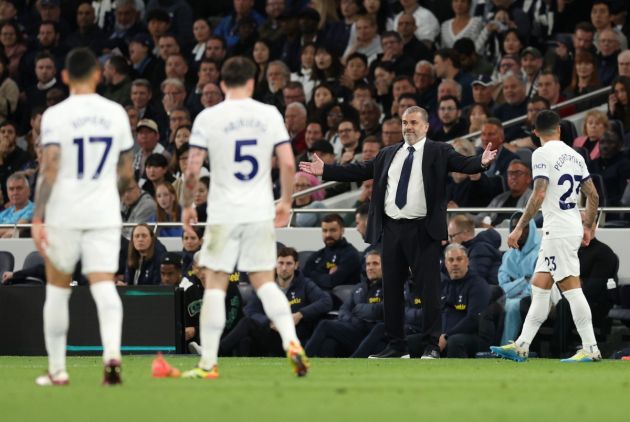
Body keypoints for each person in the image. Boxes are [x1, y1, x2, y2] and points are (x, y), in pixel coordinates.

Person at [300, 106, 496, 358]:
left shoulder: (439, 150)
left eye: (413, 122)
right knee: (391, 289)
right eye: (404, 123)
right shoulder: (387, 154)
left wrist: (481, 162)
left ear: (426, 126)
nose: (408, 127)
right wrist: (327, 170)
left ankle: (432, 345)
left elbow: (463, 163)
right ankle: (395, 345)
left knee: (429, 290)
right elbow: (359, 169)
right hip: (391, 229)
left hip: (423, 230)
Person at [181, 56, 309, 378]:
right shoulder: (269, 114)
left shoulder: (208, 117)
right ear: (253, 82)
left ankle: (208, 362)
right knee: (264, 282)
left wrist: (187, 206)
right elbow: (289, 164)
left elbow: (193, 168)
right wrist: (286, 202)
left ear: (222, 84)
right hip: (258, 209)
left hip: (224, 212)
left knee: (214, 285)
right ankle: (292, 342)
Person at [31, 48, 135, 386]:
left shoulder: (55, 115)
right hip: (104, 210)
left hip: (65, 211)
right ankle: (112, 357)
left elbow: (49, 167)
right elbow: (127, 174)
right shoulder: (116, 112)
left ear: (64, 77)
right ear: (97, 75)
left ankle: (58, 370)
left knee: (58, 290)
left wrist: (37, 215)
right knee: (104, 284)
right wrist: (108, 191)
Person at [491, 110, 602, 363]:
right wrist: (589, 226)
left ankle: (591, 347)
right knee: (540, 287)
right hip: (569, 225)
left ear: (535, 132)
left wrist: (519, 227)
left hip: (558, 231)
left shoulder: (540, 153)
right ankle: (522, 345)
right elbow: (593, 196)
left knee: (572, 289)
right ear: (560, 129)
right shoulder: (575, 155)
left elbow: (539, 193)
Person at [220, 247, 332, 356]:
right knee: (246, 326)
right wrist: (270, 322)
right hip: (272, 335)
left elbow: (326, 301)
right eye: (280, 263)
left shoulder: (305, 284)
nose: (284, 268)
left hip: (295, 337)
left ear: (296, 265)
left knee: (246, 326)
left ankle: (215, 352)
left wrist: (300, 315)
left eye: (289, 264)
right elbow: (250, 310)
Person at [409, 243, 490, 358]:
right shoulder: (441, 284)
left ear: (467, 261)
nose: (455, 263)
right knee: (413, 340)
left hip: (472, 336)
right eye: (451, 260)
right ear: (446, 263)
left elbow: (473, 319)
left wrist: (446, 336)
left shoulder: (478, 285)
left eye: (459, 259)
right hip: (443, 335)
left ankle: (457, 375)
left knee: (455, 341)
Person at [305, 250, 385, 357]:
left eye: (375, 264)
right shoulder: (359, 288)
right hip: (357, 331)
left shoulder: (391, 288)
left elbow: (380, 311)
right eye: (368, 264)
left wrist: (359, 311)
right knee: (326, 329)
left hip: (377, 336)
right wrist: (356, 320)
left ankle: (353, 362)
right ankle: (311, 364)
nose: (370, 268)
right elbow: (343, 311)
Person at [498, 212, 541, 346]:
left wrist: (514, 284)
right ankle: (486, 350)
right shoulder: (508, 255)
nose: (519, 231)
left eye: (523, 227)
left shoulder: (541, 253)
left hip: (539, 298)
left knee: (512, 305)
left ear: (532, 228)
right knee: (489, 307)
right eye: (515, 227)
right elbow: (502, 287)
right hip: (509, 297)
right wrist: (524, 280)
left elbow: (535, 287)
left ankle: (506, 346)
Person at [302, 213, 362, 291]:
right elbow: (302, 277)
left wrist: (313, 274)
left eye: (333, 230)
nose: (328, 235)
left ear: (342, 231)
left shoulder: (350, 254)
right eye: (325, 230)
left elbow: (331, 282)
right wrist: (324, 275)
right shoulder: (318, 255)